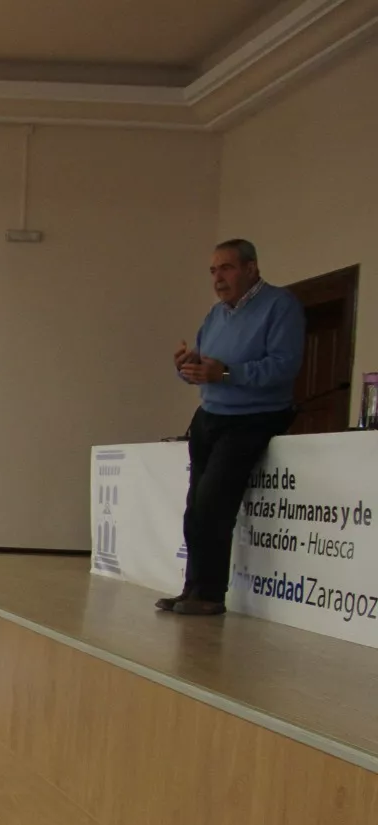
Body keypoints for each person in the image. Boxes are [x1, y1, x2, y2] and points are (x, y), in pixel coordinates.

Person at [160, 239, 306, 617]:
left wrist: (224, 372)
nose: (218, 278)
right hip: (211, 415)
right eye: (212, 271)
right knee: (194, 508)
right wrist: (189, 368)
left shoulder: (280, 306)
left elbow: (283, 367)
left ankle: (209, 595)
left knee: (213, 505)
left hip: (254, 417)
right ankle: (191, 588)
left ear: (251, 268)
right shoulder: (214, 316)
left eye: (226, 268)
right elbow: (209, 371)